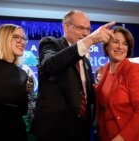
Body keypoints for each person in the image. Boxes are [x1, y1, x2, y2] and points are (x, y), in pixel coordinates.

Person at [30, 10, 115, 141]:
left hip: (81, 130)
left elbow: (89, 95)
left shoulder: (85, 61)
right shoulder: (50, 43)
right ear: (66, 26)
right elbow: (51, 65)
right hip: (54, 130)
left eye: (88, 29)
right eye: (81, 28)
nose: (86, 33)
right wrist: (91, 39)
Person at [94, 26, 139, 141]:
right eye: (115, 42)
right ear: (106, 46)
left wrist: (121, 138)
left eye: (125, 44)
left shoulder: (133, 69)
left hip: (134, 137)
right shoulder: (104, 70)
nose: (120, 47)